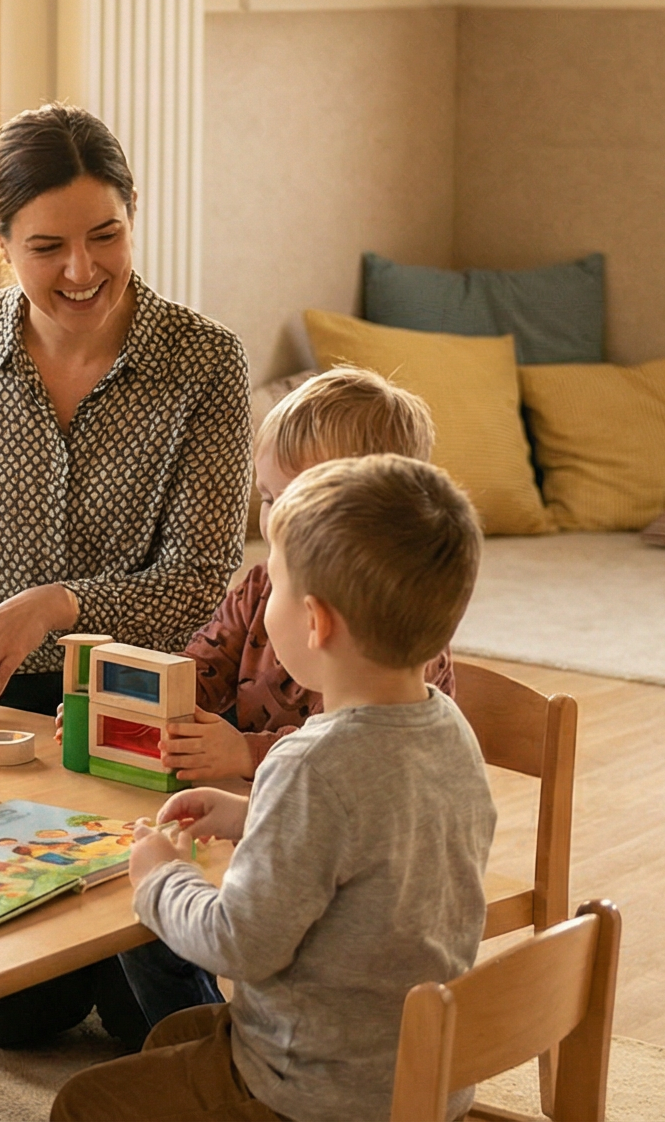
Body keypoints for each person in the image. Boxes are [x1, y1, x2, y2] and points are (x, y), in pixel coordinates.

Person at [0, 103, 251, 1049]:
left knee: (148, 1029)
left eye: (105, 235)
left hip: (143, 718)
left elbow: (200, 578)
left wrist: (54, 606)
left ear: (131, 215)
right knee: (10, 1020)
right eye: (48, 246)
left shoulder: (207, 362)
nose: (82, 271)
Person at [51, 455, 498, 1122]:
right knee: (174, 1037)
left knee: (86, 1102)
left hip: (314, 1090)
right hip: (419, 1070)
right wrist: (249, 812)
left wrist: (160, 880)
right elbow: (370, 831)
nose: (264, 600)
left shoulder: (309, 764)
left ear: (315, 622)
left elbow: (240, 944)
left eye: (275, 586)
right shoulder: (448, 728)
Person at [116, 364, 463, 1026]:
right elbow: (200, 666)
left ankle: (202, 1047)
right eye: (270, 499)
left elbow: (333, 767)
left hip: (326, 908)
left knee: (159, 918)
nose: (275, 522)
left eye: (300, 500)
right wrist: (131, 702)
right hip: (285, 833)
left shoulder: (394, 653)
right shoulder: (261, 588)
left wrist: (243, 756)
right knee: (133, 913)